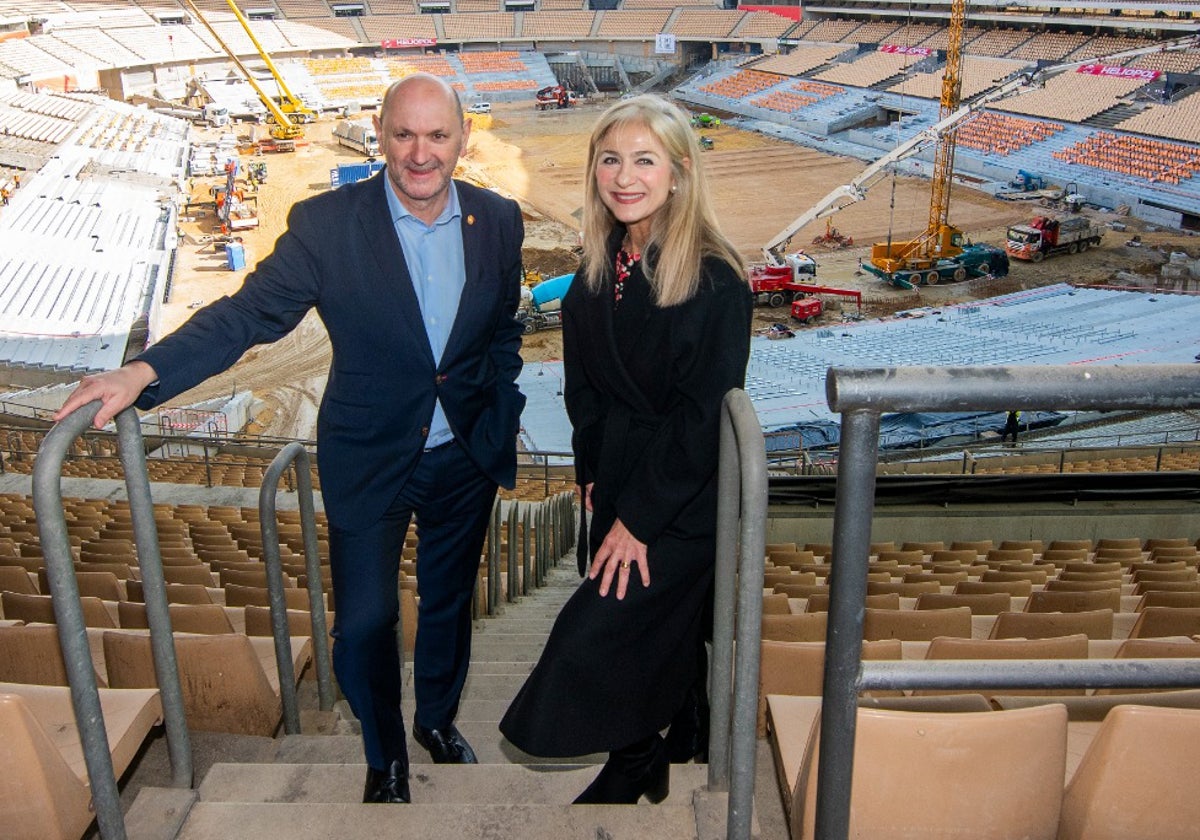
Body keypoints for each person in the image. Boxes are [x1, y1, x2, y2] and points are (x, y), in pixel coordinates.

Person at [54, 74, 526, 805]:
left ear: (463, 139)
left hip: (465, 454)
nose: (421, 153)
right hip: (370, 456)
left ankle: (435, 719)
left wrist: (503, 398)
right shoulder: (327, 224)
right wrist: (145, 371)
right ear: (380, 134)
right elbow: (247, 316)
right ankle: (385, 751)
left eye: (438, 135)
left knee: (448, 602)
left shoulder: (498, 218)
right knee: (366, 618)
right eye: (404, 135)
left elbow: (502, 328)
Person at [499, 94, 753, 804]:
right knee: (653, 631)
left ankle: (637, 759)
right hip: (613, 475)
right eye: (610, 158)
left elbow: (702, 419)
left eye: (644, 159)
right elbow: (584, 386)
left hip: (677, 499)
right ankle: (669, 739)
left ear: (678, 171)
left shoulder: (716, 279)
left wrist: (637, 519)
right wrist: (589, 473)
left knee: (600, 629)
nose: (624, 175)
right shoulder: (600, 263)